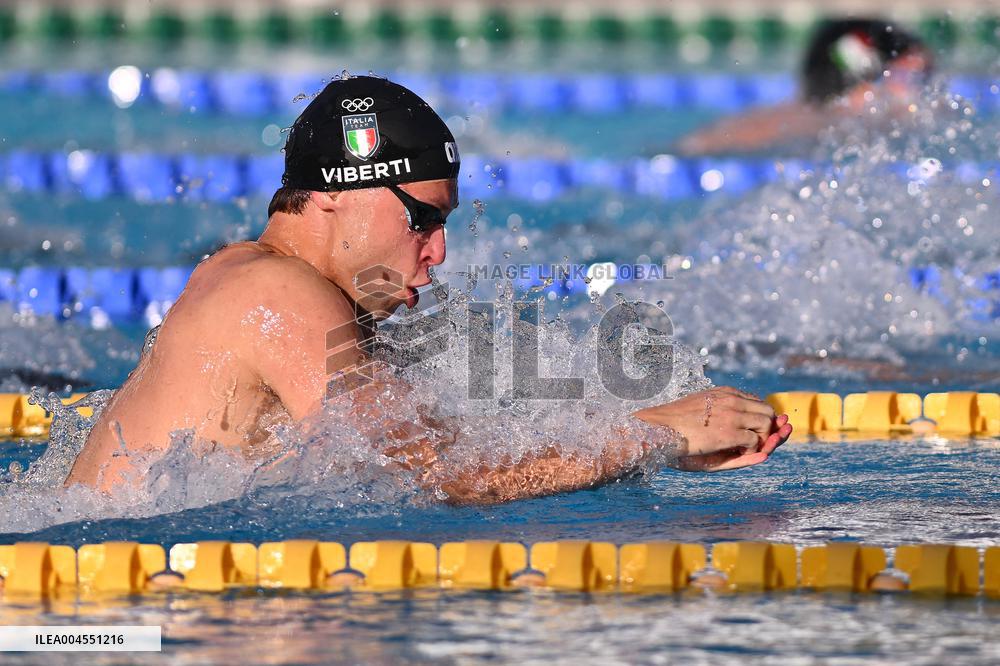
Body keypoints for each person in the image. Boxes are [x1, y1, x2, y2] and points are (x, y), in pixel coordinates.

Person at [65, 75, 792, 500]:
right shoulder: (278, 295)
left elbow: (450, 444)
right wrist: (652, 433)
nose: (437, 252)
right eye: (422, 219)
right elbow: (446, 477)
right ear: (335, 195)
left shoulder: (271, 281)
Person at [676, 18, 933, 156]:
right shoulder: (834, 125)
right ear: (864, 83)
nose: (924, 94)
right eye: (912, 79)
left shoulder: (766, 119)